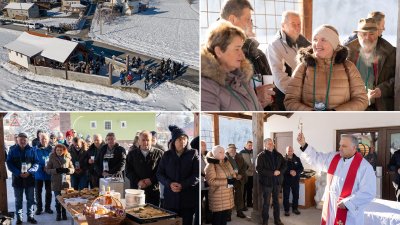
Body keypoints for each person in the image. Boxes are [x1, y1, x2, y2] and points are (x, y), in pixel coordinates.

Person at [297, 133, 376, 225]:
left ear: (354, 148)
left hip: (347, 211)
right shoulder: (333, 157)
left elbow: (368, 192)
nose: (340, 148)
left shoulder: (364, 167)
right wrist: (303, 144)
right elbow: (317, 158)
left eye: (344, 146)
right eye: (340, 145)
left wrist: (347, 203)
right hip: (330, 205)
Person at [284, 24, 368, 111]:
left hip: (341, 123)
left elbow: (361, 100)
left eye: (323, 40)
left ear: (334, 44)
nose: (317, 44)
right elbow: (290, 101)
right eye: (315, 39)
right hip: (310, 122)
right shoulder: (303, 67)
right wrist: (310, 113)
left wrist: (335, 113)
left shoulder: (348, 67)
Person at [220, 0, 275, 109]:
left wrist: (270, 100)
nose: (251, 24)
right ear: (232, 19)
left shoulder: (258, 55)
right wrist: (255, 96)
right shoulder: (212, 56)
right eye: (248, 19)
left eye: (251, 20)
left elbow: (273, 94)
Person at [201, 20, 262, 111]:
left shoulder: (242, 77)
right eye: (237, 49)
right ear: (219, 51)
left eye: (241, 48)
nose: (242, 55)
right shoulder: (206, 86)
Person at [346, 18, 395, 111]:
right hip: (353, 105)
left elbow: (397, 79)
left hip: (380, 107)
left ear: (378, 34)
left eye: (371, 34)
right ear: (358, 35)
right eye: (364, 34)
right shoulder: (347, 53)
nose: (367, 38)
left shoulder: (391, 52)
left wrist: (382, 90)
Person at [267, 11, 311, 110]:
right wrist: (298, 95)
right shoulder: (274, 46)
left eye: (299, 24)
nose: (297, 27)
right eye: (293, 24)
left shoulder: (307, 44)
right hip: (284, 98)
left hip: (306, 96)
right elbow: (280, 78)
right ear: (283, 26)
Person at [157, 125, 199, 225]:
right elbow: (159, 174)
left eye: (185, 138)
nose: (182, 141)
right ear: (173, 141)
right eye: (179, 139)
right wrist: (169, 183)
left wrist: (183, 185)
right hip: (170, 199)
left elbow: (196, 175)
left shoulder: (193, 154)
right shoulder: (166, 155)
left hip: (187, 199)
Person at [6, 133, 39, 224]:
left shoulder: (32, 150)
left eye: (24, 140)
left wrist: (30, 172)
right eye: (21, 139)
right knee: (18, 200)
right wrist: (18, 173)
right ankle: (19, 219)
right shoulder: (12, 150)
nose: (23, 141)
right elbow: (9, 163)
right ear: (17, 140)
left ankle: (30, 217)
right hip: (17, 179)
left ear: (27, 140)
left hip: (29, 178)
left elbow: (36, 163)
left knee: (31, 200)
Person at [126, 131, 164, 206]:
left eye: (148, 140)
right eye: (143, 140)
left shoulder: (159, 154)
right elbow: (128, 171)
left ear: (152, 141)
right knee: (135, 213)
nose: (145, 142)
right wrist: (138, 181)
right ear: (139, 141)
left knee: (153, 214)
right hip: (136, 191)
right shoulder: (132, 154)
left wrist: (151, 180)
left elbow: (161, 171)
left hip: (153, 191)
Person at [256, 138, 286, 225]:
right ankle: (265, 221)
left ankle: (277, 220)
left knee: (276, 202)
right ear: (265, 145)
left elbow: (284, 165)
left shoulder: (278, 155)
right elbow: (259, 169)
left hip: (277, 182)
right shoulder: (261, 156)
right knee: (266, 203)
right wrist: (272, 173)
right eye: (268, 144)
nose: (271, 145)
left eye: (272, 143)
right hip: (267, 183)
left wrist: (280, 171)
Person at [205, 145, 235, 225]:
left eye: (223, 152)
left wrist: (233, 177)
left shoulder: (226, 162)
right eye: (220, 152)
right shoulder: (211, 165)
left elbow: (232, 173)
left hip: (227, 194)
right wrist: (227, 181)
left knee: (224, 218)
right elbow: (211, 181)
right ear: (214, 153)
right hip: (217, 195)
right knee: (217, 218)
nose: (223, 154)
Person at [45, 144, 75, 221]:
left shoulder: (68, 157)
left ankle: (64, 214)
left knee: (65, 199)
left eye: (61, 150)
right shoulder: (52, 157)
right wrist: (56, 170)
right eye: (57, 150)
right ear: (55, 150)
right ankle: (58, 214)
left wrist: (68, 170)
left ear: (64, 150)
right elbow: (47, 170)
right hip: (56, 182)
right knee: (57, 199)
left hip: (65, 182)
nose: (59, 152)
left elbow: (73, 169)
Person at [226, 144, 248, 219]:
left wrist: (241, 175)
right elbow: (223, 168)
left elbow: (245, 166)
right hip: (229, 180)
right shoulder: (224, 157)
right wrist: (234, 175)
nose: (233, 151)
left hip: (239, 180)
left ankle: (239, 211)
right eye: (231, 149)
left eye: (234, 149)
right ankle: (228, 214)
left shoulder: (239, 156)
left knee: (240, 196)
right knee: (229, 197)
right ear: (228, 150)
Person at [34, 133, 53, 215]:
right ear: (39, 139)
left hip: (49, 174)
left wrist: (49, 167)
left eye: (45, 139)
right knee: (38, 192)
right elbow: (33, 161)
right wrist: (41, 167)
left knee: (48, 192)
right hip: (38, 174)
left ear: (48, 139)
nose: (44, 140)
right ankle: (39, 208)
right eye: (42, 139)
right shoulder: (35, 149)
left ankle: (48, 208)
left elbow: (54, 160)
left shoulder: (52, 149)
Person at [282, 146, 303, 217]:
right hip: (286, 181)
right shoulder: (283, 159)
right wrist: (289, 171)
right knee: (286, 196)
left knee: (296, 195)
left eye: (291, 150)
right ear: (286, 151)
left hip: (295, 180)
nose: (290, 152)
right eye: (288, 151)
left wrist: (296, 172)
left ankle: (295, 209)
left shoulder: (297, 159)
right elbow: (282, 169)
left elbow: (301, 168)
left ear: (293, 151)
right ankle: (286, 210)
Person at [239, 140, 254, 210]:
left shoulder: (254, 152)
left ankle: (249, 203)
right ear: (245, 145)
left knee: (250, 189)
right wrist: (247, 168)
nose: (250, 147)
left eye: (251, 145)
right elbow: (240, 164)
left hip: (252, 174)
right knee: (243, 190)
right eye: (249, 145)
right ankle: (242, 205)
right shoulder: (241, 153)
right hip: (245, 174)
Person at [200, 140, 212, 224]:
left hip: (208, 183)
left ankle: (208, 219)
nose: (204, 146)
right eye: (203, 145)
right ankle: (201, 219)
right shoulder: (196, 155)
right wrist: (205, 175)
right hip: (201, 183)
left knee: (208, 202)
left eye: (205, 145)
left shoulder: (206, 155)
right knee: (200, 203)